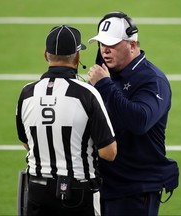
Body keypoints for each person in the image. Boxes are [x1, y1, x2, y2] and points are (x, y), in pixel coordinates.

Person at [16, 25, 117, 216]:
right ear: (78, 57)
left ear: (46, 55)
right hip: (77, 193)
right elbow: (109, 152)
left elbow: (27, 143)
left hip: (37, 190)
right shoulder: (87, 94)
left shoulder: (27, 93)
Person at [87, 12, 179, 216]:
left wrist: (104, 85)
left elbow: (140, 121)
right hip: (102, 186)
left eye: (112, 44)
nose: (105, 50)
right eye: (101, 44)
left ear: (132, 45)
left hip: (136, 188)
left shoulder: (152, 80)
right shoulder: (105, 75)